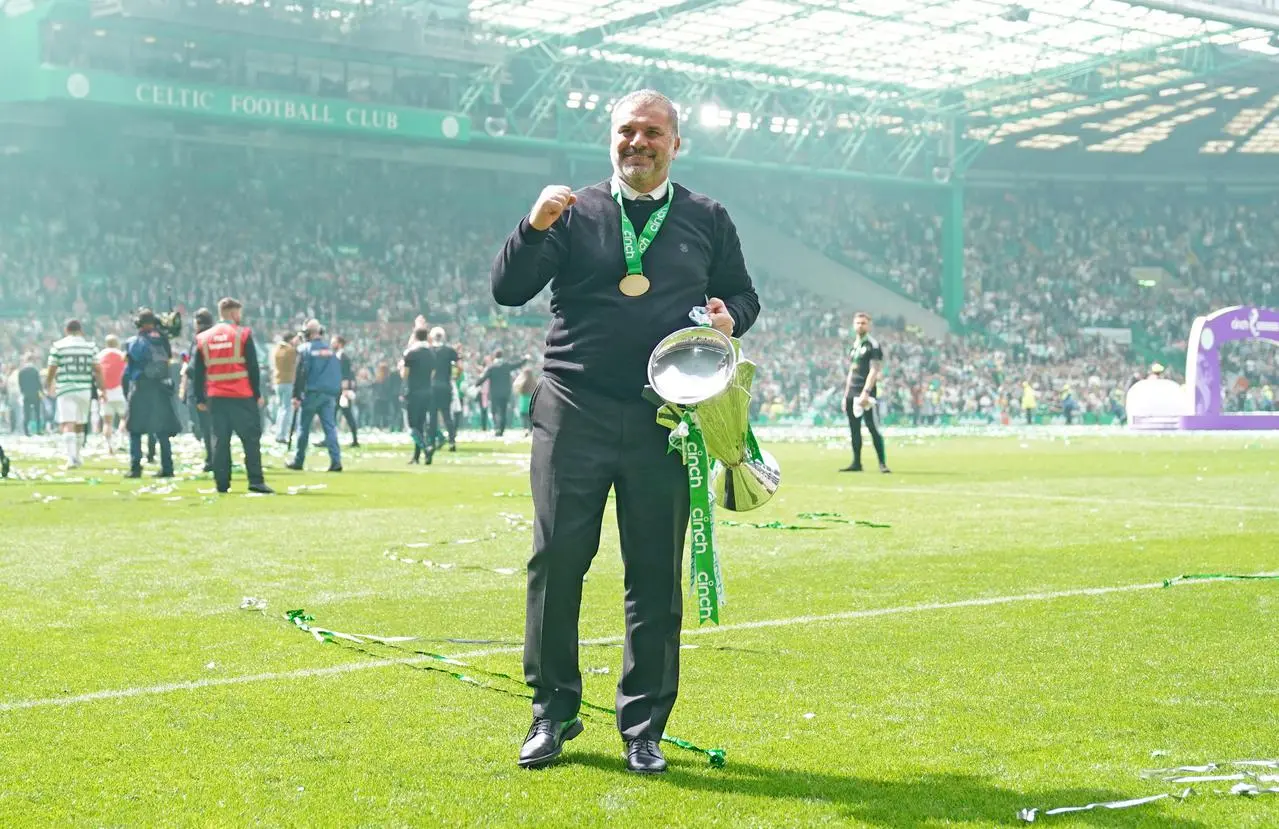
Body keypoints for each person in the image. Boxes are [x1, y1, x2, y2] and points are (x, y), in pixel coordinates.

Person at [491, 88, 760, 774]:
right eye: (624, 131)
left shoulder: (705, 216)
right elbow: (508, 288)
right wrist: (532, 224)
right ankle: (551, 712)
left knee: (653, 576)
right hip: (571, 405)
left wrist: (730, 320)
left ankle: (643, 726)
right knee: (557, 562)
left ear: (676, 144)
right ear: (610, 139)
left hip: (663, 417)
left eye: (650, 132)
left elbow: (743, 296)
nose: (635, 142)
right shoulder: (573, 212)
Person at [190, 298, 272, 495]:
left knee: (220, 440)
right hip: (241, 394)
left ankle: (222, 483)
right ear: (234, 313)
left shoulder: (203, 338)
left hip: (216, 396)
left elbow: (198, 371)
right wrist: (257, 393)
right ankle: (255, 480)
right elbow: (253, 367)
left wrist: (199, 399)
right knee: (250, 439)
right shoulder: (242, 334)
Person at [123, 308, 181, 478]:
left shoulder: (133, 341)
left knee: (134, 429)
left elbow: (130, 363)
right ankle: (167, 467)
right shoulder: (162, 340)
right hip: (161, 388)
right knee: (162, 430)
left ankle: (135, 467)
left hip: (141, 387)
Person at [287, 320, 343, 472]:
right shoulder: (331, 351)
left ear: (308, 333)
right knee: (330, 428)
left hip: (311, 393)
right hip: (329, 394)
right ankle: (336, 461)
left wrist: (296, 395)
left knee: (304, 428)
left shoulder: (304, 349)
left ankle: (299, 460)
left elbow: (300, 374)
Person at [46, 319, 102, 469]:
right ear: (80, 330)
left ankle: (71, 459)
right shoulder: (90, 347)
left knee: (68, 422)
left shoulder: (58, 346)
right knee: (80, 423)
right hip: (85, 388)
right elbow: (97, 368)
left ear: (66, 330)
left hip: (66, 387)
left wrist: (48, 384)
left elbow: (52, 368)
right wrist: (102, 388)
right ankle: (78, 456)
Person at [840, 312, 889, 474]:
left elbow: (875, 370)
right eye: (858, 323)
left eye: (863, 323)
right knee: (854, 429)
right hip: (851, 392)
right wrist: (845, 394)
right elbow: (851, 372)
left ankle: (882, 463)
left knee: (873, 428)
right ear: (853, 325)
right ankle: (856, 462)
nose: (860, 325)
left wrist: (866, 392)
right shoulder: (854, 345)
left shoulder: (872, 345)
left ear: (869, 325)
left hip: (866, 393)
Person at [178, 309, 216, 472]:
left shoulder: (199, 339)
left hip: (200, 389)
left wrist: (186, 369)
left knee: (202, 426)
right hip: (216, 387)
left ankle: (211, 459)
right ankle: (216, 456)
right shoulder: (215, 338)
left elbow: (194, 368)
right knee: (214, 426)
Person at [401, 325, 434, 464]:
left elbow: (405, 375)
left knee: (412, 426)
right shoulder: (432, 353)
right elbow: (433, 374)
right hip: (427, 391)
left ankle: (426, 448)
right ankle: (416, 456)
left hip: (414, 392)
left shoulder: (410, 354)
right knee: (420, 424)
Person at [474, 349, 526, 437]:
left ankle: (496, 428)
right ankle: (501, 430)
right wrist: (525, 359)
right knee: (503, 412)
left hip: (494, 394)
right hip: (505, 393)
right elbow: (517, 365)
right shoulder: (506, 365)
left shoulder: (491, 367)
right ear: (502, 356)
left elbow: (484, 378)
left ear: (495, 356)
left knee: (494, 411)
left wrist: (476, 384)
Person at [427, 327, 459, 452]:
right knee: (447, 416)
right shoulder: (450, 351)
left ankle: (432, 442)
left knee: (432, 416)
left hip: (432, 386)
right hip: (445, 386)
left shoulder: (429, 351)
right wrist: (454, 376)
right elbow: (458, 367)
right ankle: (452, 441)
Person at [96, 335, 128, 455]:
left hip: (105, 392)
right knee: (124, 418)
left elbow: (97, 374)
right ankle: (121, 441)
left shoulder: (100, 356)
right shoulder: (122, 355)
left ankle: (108, 446)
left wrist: (100, 390)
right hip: (120, 391)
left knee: (107, 422)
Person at [332, 335, 360, 448]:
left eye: (333, 342)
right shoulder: (339, 357)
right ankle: (353, 439)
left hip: (341, 391)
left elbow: (346, 375)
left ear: (339, 343)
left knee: (346, 415)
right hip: (338, 390)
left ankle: (354, 439)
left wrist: (345, 390)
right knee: (336, 415)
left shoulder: (343, 358)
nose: (332, 344)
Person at [273, 333, 299, 444]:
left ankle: (278, 433)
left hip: (278, 381)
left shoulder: (277, 349)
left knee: (280, 409)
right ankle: (282, 435)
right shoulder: (290, 351)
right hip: (288, 381)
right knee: (286, 409)